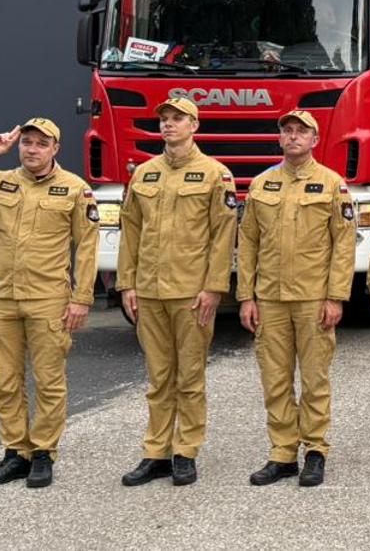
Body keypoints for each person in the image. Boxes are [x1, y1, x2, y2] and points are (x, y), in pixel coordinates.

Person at [0, 118, 99, 489]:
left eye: (41, 143)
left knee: (48, 381)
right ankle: (15, 453)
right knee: (6, 382)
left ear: (55, 149)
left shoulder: (75, 189)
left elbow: (88, 248)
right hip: (3, 299)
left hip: (48, 299)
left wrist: (82, 299)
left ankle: (43, 453)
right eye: (27, 142)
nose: (32, 149)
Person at [117, 98, 237, 487]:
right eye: (164, 119)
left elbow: (223, 236)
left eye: (178, 119)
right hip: (149, 291)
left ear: (194, 125)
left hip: (190, 292)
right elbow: (130, 231)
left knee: (190, 376)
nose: (169, 125)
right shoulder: (144, 174)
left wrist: (214, 288)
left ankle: (185, 451)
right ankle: (156, 452)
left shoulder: (215, 175)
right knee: (158, 378)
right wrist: (127, 283)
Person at [236, 110, 355, 488]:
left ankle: (315, 450)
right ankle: (283, 453)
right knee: (275, 380)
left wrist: (336, 296)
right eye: (287, 131)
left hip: (312, 298)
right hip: (270, 298)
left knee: (315, 378)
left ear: (314, 140)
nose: (293, 136)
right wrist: (246, 295)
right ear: (279, 138)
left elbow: (344, 245)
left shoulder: (332, 184)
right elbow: (248, 242)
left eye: (301, 132)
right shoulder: (261, 185)